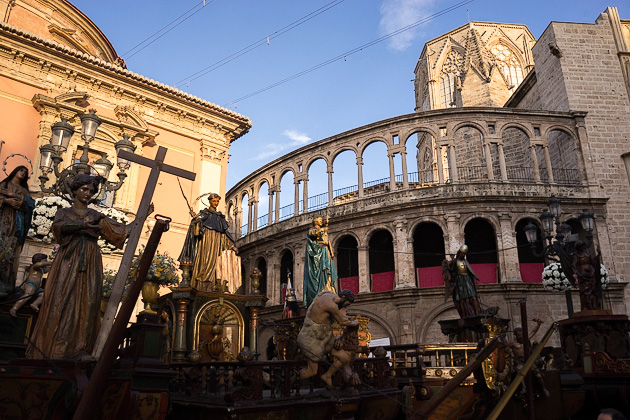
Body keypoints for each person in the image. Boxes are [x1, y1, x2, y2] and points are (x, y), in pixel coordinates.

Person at [26, 174, 145, 360]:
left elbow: (120, 231)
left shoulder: (96, 215)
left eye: (91, 191)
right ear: (74, 190)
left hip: (89, 259)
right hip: (68, 259)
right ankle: (53, 350)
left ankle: (81, 349)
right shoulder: (63, 212)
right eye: (84, 189)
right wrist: (81, 225)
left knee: (88, 302)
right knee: (61, 298)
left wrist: (141, 217)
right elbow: (58, 228)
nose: (88, 193)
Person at [179, 193, 241, 293]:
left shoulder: (220, 217)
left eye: (217, 201)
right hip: (206, 241)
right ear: (209, 201)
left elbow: (224, 234)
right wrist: (196, 221)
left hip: (217, 243)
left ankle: (213, 284)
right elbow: (196, 231)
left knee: (215, 263)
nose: (216, 203)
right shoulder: (204, 214)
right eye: (214, 201)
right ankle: (202, 283)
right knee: (205, 261)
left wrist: (231, 245)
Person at [297, 289, 359, 388]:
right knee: (312, 371)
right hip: (311, 339)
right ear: (343, 297)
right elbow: (342, 321)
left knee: (344, 358)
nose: (345, 306)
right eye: (347, 304)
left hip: (324, 338)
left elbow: (339, 318)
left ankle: (327, 376)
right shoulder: (331, 305)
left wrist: (336, 338)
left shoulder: (330, 296)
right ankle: (288, 381)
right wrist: (355, 322)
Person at [0, 165, 35, 297]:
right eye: (21, 170)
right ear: (15, 171)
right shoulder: (4, 184)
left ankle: (8, 283)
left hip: (16, 223)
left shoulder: (24, 191)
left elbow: (30, 205)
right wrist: (6, 201)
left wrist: (14, 195)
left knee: (11, 251)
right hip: (3, 219)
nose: (22, 173)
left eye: (25, 172)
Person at [509, 318, 550, 398]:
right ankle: (524, 387)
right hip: (519, 360)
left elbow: (533, 332)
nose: (521, 337)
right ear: (516, 335)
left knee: (538, 376)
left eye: (522, 335)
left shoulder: (526, 339)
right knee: (520, 370)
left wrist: (538, 324)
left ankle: (543, 388)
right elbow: (504, 346)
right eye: (519, 335)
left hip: (528, 360)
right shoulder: (512, 343)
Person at [303, 216, 337, 308]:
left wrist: (331, 251)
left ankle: (328, 287)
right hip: (318, 253)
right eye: (320, 221)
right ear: (316, 222)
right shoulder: (311, 230)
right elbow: (313, 234)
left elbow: (328, 241)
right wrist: (323, 230)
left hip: (325, 252)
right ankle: (321, 290)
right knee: (320, 271)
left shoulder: (323, 230)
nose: (322, 221)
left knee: (327, 271)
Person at [443, 244, 481, 318]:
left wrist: (475, 276)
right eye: (462, 253)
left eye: (464, 254)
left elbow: (470, 270)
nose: (463, 255)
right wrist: (447, 264)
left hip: (467, 279)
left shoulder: (466, 262)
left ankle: (477, 314)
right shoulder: (454, 261)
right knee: (461, 299)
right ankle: (463, 316)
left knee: (473, 297)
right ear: (459, 253)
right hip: (459, 280)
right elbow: (449, 269)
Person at [572, 240, 603, 311]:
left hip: (591, 274)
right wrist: (577, 273)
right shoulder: (576, 256)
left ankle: (594, 305)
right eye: (581, 247)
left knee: (593, 290)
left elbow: (594, 262)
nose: (583, 248)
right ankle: (586, 306)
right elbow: (574, 265)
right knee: (585, 292)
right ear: (578, 248)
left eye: (583, 246)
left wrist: (598, 254)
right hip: (583, 276)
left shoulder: (588, 255)